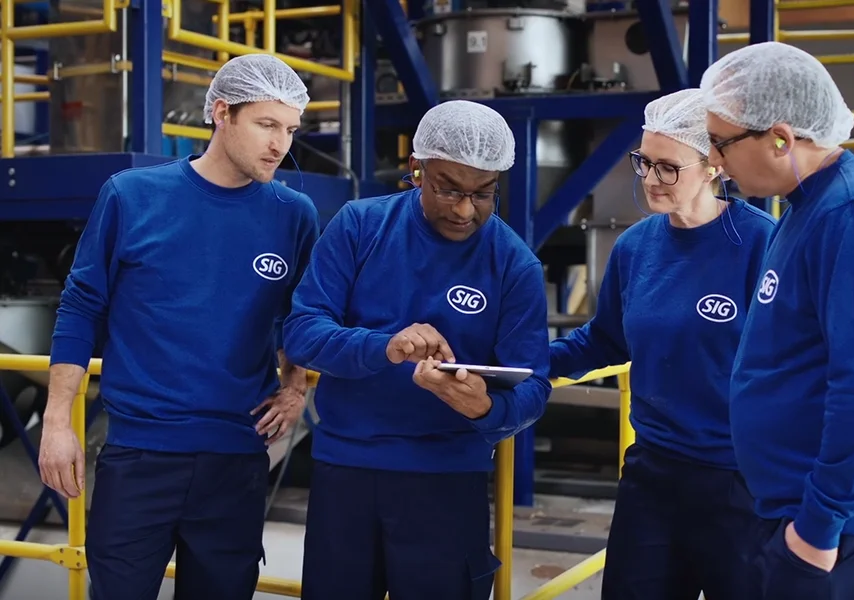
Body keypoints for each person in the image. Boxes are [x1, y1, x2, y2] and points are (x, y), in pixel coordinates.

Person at [37, 54, 320, 600]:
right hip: (140, 455)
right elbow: (80, 308)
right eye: (266, 124)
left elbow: (302, 314)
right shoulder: (132, 196)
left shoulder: (294, 213)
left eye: (289, 129)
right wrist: (55, 423)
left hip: (237, 457)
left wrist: (295, 383)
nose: (279, 145)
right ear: (221, 113)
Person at [282, 99, 551, 600]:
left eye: (484, 194)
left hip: (447, 481)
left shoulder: (514, 265)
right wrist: (385, 347)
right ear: (416, 169)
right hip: (348, 471)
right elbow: (301, 332)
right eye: (449, 189)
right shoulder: (359, 226)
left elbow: (533, 385)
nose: (466, 209)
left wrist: (489, 407)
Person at [700, 41, 854, 600]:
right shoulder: (805, 208)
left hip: (839, 522)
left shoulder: (852, 215)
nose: (713, 160)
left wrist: (818, 528)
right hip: (799, 508)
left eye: (720, 142)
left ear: (780, 137)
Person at [549, 88, 776, 599]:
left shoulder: (761, 244)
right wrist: (521, 363)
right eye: (644, 163)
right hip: (652, 475)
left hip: (738, 483)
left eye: (668, 167)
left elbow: (793, 364)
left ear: (714, 164)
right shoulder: (636, 247)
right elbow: (603, 341)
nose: (650, 179)